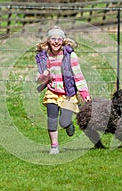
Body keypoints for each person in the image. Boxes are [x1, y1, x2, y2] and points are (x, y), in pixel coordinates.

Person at [35, 26, 91, 154]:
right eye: (53, 39)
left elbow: (78, 75)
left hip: (68, 93)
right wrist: (43, 76)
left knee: (64, 121)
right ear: (48, 40)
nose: (56, 42)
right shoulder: (43, 57)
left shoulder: (70, 56)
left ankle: (68, 125)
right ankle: (54, 146)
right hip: (52, 92)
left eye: (59, 39)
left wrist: (84, 92)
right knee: (52, 118)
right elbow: (39, 79)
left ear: (63, 41)